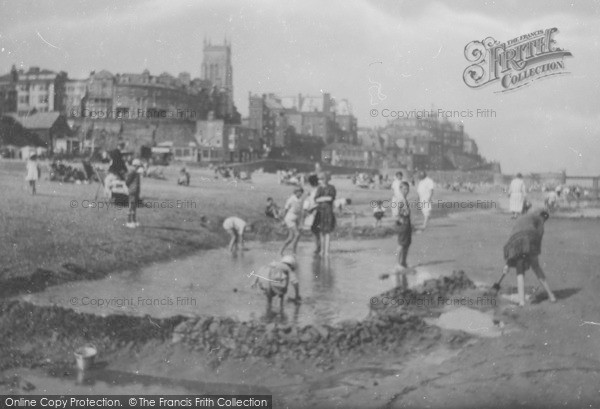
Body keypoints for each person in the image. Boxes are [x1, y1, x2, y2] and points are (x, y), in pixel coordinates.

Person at [502, 210, 557, 307]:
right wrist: (533, 255)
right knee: (536, 267)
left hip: (515, 240)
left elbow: (513, 238)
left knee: (520, 270)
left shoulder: (527, 216)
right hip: (529, 239)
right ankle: (551, 295)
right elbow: (538, 236)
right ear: (544, 218)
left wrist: (508, 263)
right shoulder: (540, 220)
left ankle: (521, 302)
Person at [313, 172, 336, 256]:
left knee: (327, 232)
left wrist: (321, 198)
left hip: (328, 211)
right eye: (321, 179)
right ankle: (322, 250)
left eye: (323, 179)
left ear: (327, 179)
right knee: (321, 231)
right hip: (321, 211)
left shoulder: (331, 187)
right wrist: (324, 198)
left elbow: (331, 198)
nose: (322, 180)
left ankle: (327, 251)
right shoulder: (319, 188)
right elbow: (316, 199)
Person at [396, 182, 412, 285]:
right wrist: (401, 220)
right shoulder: (400, 200)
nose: (406, 191)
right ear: (400, 189)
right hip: (403, 224)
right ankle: (398, 264)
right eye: (404, 189)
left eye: (407, 189)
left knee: (406, 244)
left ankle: (404, 262)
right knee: (401, 245)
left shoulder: (405, 200)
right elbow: (397, 213)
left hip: (407, 223)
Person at [280, 187, 304, 255]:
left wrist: (299, 222)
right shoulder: (291, 199)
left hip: (295, 219)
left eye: (301, 192)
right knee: (297, 234)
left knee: (290, 238)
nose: (300, 194)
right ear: (296, 192)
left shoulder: (301, 199)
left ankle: (281, 251)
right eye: (299, 192)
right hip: (289, 219)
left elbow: (299, 212)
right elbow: (286, 209)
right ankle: (294, 252)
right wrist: (283, 220)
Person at [303, 174, 321, 254]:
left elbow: (315, 201)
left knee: (315, 230)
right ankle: (318, 247)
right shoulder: (316, 189)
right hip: (315, 210)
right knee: (315, 230)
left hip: (316, 210)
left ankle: (318, 247)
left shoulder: (316, 190)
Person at [125, 159, 143, 228]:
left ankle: (134, 221)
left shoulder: (136, 172)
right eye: (137, 166)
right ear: (134, 166)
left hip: (136, 191)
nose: (138, 167)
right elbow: (127, 182)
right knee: (131, 206)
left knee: (134, 206)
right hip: (133, 191)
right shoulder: (132, 172)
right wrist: (131, 188)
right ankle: (128, 221)